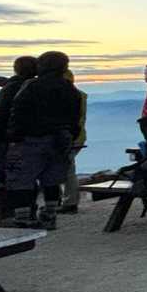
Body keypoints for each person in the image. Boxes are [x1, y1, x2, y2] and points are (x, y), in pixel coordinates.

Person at [6, 51, 82, 229]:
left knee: (22, 179)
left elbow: (18, 111)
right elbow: (75, 117)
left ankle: (23, 217)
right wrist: (70, 135)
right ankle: (50, 215)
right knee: (52, 180)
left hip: (31, 140)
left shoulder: (32, 86)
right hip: (60, 141)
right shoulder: (70, 89)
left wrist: (15, 136)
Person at [0, 55, 37, 184]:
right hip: (33, 139)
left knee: (5, 175)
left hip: (8, 138)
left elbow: (1, 116)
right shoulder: (37, 87)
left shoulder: (12, 88)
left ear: (16, 69)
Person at [59, 69, 88, 214]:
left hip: (70, 138)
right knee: (66, 168)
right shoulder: (79, 95)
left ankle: (69, 202)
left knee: (67, 169)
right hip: (78, 137)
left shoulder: (66, 96)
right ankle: (66, 200)